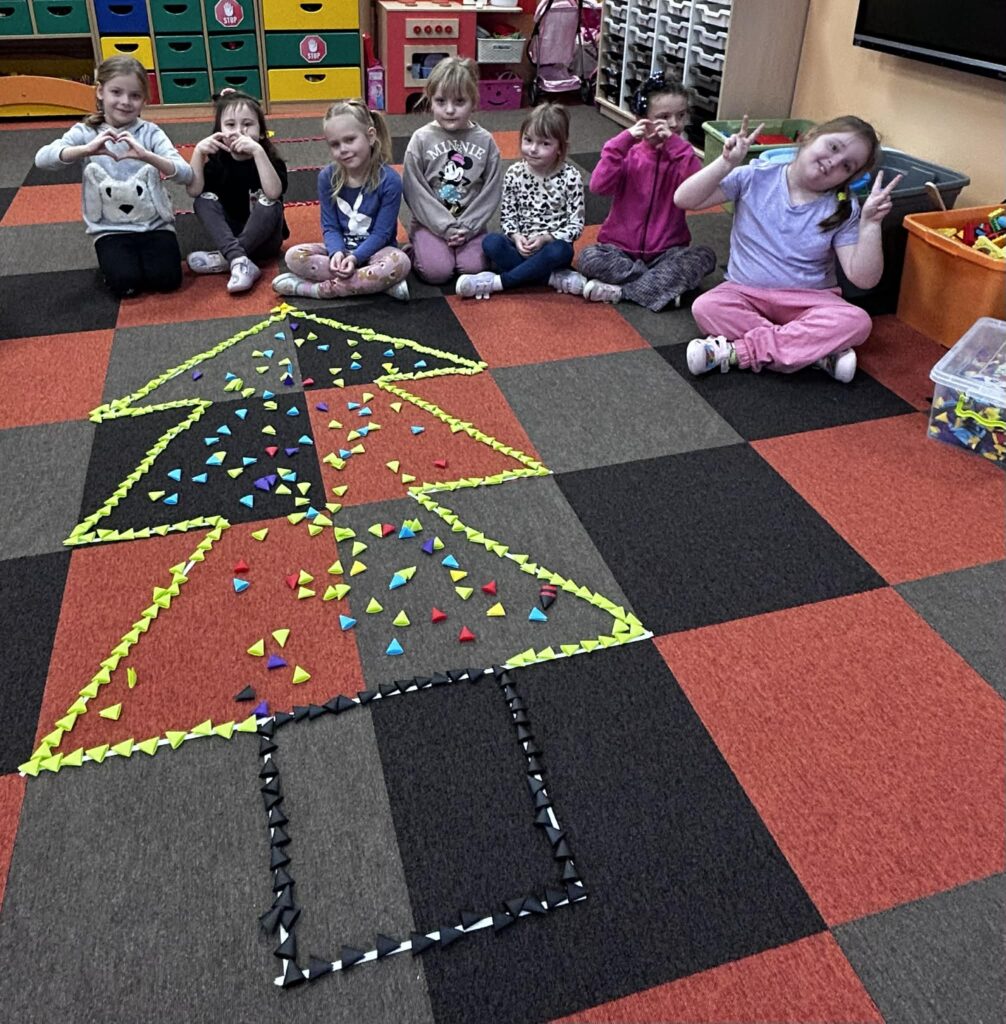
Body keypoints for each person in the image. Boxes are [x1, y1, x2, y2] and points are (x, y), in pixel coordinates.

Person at [675, 115, 901, 383]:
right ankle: (811, 353)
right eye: (833, 147)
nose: (834, 162)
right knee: (706, 307)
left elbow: (863, 279)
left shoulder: (843, 206)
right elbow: (684, 199)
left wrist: (871, 225)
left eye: (846, 166)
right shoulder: (753, 176)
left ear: (849, 178)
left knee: (857, 321)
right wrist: (726, 163)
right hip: (745, 293)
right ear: (810, 137)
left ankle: (738, 352)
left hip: (809, 302)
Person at [33, 56, 192, 298]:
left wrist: (147, 156)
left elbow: (186, 174)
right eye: (116, 92)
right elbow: (42, 159)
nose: (125, 102)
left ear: (145, 100)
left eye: (135, 95)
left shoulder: (150, 133)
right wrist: (85, 150)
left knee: (167, 282)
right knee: (126, 285)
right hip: (110, 229)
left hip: (154, 225)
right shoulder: (86, 131)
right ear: (100, 92)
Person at [575, 74, 716, 307]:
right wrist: (622, 142)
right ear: (641, 120)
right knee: (588, 258)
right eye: (664, 117)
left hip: (667, 253)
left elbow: (699, 191)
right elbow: (599, 186)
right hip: (619, 251)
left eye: (681, 115)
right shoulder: (627, 154)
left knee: (704, 257)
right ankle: (659, 288)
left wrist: (678, 149)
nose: (674, 124)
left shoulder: (683, 157)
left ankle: (622, 292)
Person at [272, 99, 410, 301]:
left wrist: (355, 258)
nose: (343, 149)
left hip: (376, 252)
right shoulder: (327, 177)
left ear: (371, 136)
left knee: (400, 263)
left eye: (350, 140)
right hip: (341, 252)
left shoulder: (390, 180)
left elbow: (383, 233)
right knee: (293, 256)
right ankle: (373, 285)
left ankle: (316, 290)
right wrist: (336, 253)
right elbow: (330, 226)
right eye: (335, 144)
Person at [455, 102, 584, 300]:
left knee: (560, 250)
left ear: (560, 147)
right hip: (520, 247)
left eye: (545, 144)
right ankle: (550, 278)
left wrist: (545, 238)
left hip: (550, 249)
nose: (533, 149)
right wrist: (516, 237)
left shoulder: (571, 177)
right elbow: (508, 216)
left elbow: (576, 226)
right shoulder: (514, 173)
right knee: (491, 242)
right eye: (528, 140)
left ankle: (499, 283)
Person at [401, 57, 502, 284]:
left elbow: (491, 190)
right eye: (440, 101)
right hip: (430, 224)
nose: (449, 110)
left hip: (471, 225)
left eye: (459, 101)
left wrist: (468, 227)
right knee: (438, 273)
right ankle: (416, 250)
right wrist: (444, 227)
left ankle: (455, 246)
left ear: (473, 101)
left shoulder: (485, 141)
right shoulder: (421, 139)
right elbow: (414, 190)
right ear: (430, 101)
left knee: (473, 269)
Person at [185, 90, 288, 294]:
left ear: (261, 132)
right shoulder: (217, 163)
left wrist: (258, 151)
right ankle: (239, 260)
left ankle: (226, 258)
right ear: (219, 132)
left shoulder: (270, 160)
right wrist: (198, 152)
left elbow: (274, 193)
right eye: (230, 125)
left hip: (267, 241)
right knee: (203, 200)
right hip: (230, 235)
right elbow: (194, 191)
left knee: (269, 202)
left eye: (247, 124)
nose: (239, 131)